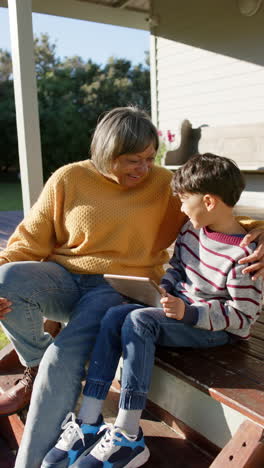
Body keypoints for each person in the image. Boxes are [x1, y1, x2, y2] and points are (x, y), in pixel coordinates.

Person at [0, 111, 263, 468]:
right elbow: (28, 242)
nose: (143, 168)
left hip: (116, 288)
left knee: (60, 359)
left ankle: (31, 461)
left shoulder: (161, 185)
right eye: (131, 160)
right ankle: (34, 363)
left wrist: (258, 230)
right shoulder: (68, 178)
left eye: (149, 158)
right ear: (106, 153)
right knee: (7, 279)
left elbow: (214, 211)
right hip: (63, 279)